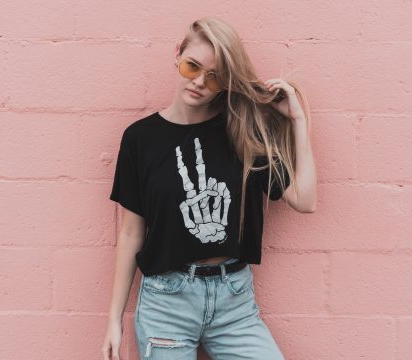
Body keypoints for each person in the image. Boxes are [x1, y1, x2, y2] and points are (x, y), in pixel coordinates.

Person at [102, 16, 317, 360]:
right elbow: (130, 234)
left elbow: (305, 201)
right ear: (177, 55)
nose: (200, 82)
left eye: (215, 77)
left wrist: (298, 121)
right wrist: (114, 319)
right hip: (166, 303)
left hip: (235, 302)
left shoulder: (242, 131)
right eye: (192, 67)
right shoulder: (139, 139)